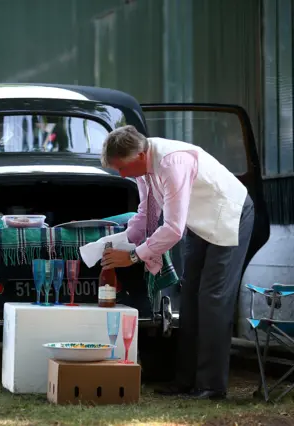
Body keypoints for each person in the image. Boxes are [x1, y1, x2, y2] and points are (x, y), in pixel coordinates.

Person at [100, 125, 254, 400]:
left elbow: (172, 229)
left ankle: (211, 386)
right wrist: (118, 242)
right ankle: (185, 380)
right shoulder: (144, 167)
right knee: (190, 295)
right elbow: (146, 213)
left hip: (229, 213)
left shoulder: (173, 162)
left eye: (121, 168)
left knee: (213, 298)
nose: (121, 175)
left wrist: (134, 256)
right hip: (197, 220)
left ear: (138, 155)